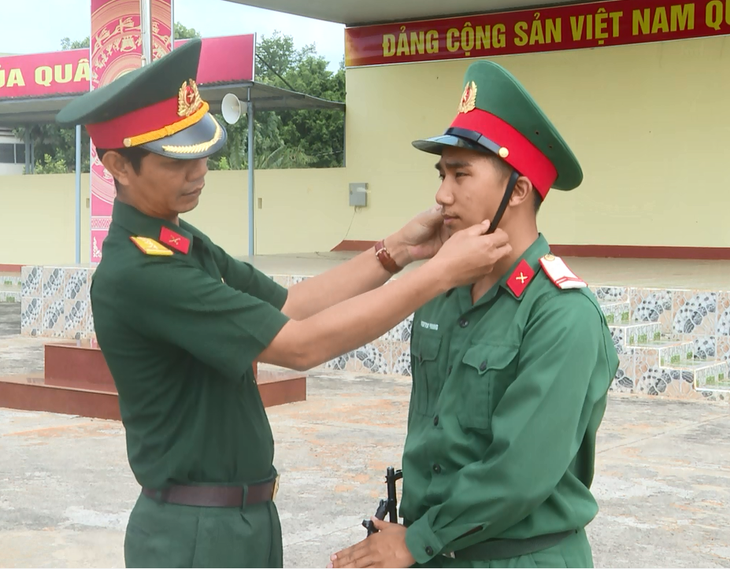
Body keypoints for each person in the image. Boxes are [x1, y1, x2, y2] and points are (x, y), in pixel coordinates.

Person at [55, 39, 513, 568]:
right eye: (175, 161)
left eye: (202, 151)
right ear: (120, 165)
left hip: (238, 521)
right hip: (194, 534)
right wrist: (438, 275)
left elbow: (292, 305)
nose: (199, 170)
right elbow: (298, 346)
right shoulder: (142, 271)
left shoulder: (183, 243)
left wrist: (398, 251)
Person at [329, 61, 619, 569]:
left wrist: (416, 541)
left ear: (521, 190)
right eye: (442, 173)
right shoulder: (444, 290)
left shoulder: (561, 314)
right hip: (435, 549)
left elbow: (519, 472)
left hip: (516, 557)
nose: (443, 194)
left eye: (462, 174)